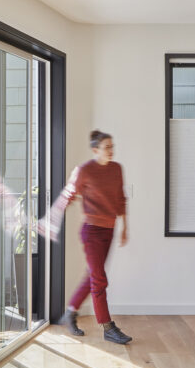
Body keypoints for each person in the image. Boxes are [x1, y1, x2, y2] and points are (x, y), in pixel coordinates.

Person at [43, 129, 132, 344]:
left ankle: (70, 312)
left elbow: (121, 198)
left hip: (109, 230)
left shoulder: (117, 169)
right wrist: (51, 218)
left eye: (112, 146)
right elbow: (68, 194)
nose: (111, 150)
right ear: (95, 150)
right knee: (99, 279)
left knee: (93, 275)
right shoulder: (85, 170)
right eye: (106, 147)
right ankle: (107, 327)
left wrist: (125, 227)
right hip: (91, 231)